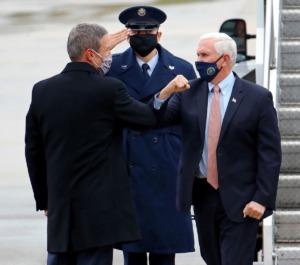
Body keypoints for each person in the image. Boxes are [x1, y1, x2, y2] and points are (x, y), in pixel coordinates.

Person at [24, 23, 186, 265]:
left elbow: (33, 151)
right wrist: (166, 92)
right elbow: (147, 119)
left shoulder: (42, 90)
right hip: (99, 209)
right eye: (107, 50)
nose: (110, 56)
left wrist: (45, 199)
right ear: (91, 54)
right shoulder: (108, 89)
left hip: (60, 205)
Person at [154, 32, 282, 265]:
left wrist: (262, 199)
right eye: (198, 55)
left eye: (204, 55)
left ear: (224, 60)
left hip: (242, 199)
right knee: (211, 258)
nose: (198, 61)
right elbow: (157, 120)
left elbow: (270, 154)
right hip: (203, 196)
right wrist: (166, 92)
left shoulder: (258, 97)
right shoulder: (187, 93)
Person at [106, 6, 196, 265]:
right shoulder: (112, 68)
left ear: (159, 35)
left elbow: (191, 121)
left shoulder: (181, 68)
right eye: (136, 30)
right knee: (132, 252)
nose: (142, 34)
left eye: (148, 30)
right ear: (127, 34)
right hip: (127, 162)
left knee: (164, 250)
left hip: (167, 163)